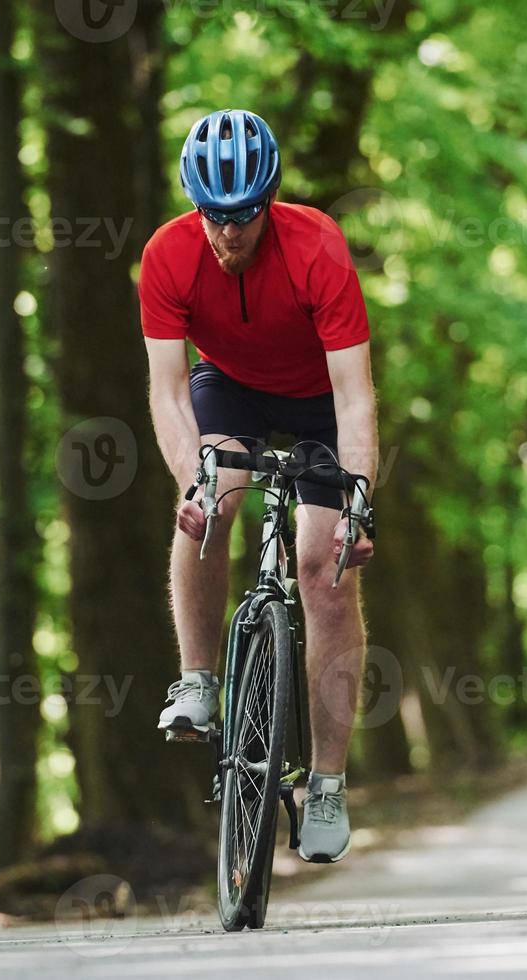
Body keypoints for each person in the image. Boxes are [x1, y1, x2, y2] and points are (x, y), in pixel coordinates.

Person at [138, 109, 378, 864]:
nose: (227, 234)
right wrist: (193, 482)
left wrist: (357, 500)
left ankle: (329, 786)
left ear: (267, 203)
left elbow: (357, 396)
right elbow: (168, 391)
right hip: (231, 390)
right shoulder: (168, 255)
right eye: (214, 215)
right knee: (215, 506)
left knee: (322, 569)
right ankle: (198, 681)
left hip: (318, 403)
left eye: (242, 217)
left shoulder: (319, 250)